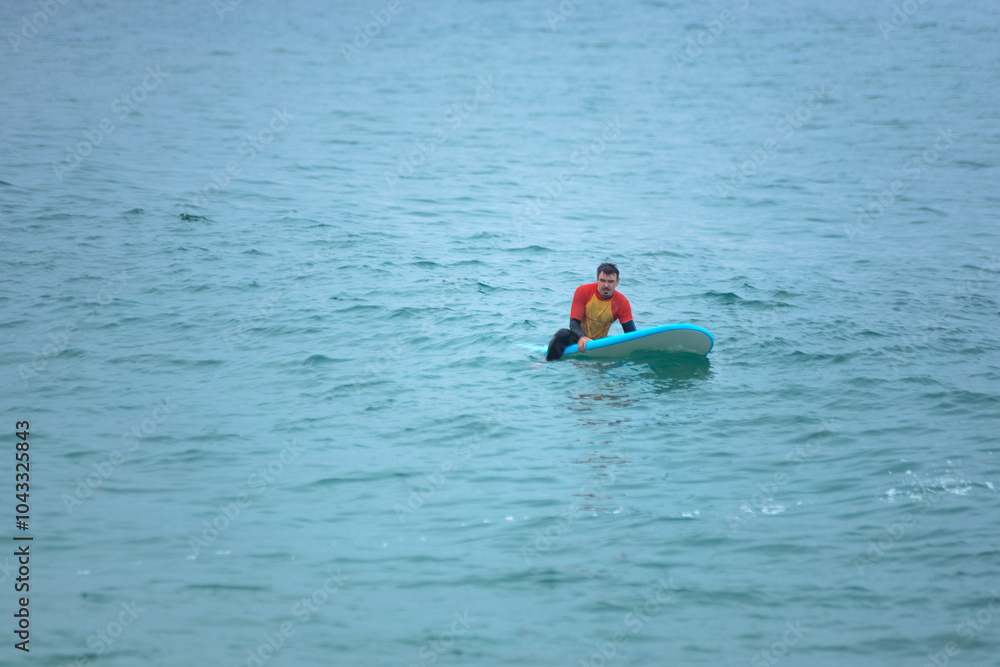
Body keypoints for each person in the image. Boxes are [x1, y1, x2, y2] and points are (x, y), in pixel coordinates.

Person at [546, 263, 636, 361]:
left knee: (615, 340)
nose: (606, 285)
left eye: (610, 281)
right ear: (597, 279)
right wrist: (582, 337)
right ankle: (545, 362)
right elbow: (574, 322)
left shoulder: (622, 302)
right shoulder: (583, 291)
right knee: (562, 334)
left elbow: (631, 333)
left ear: (617, 282)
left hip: (599, 343)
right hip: (577, 339)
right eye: (602, 280)